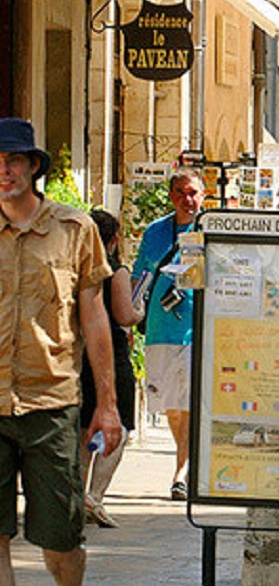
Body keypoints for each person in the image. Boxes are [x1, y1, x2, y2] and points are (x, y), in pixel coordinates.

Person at [0, 117, 122, 586]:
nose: (5, 170)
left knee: (61, 540)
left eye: (14, 160)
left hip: (50, 404)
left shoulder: (74, 229)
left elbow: (95, 320)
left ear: (33, 167)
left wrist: (107, 405)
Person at [133, 167, 203, 500]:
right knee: (171, 406)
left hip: (197, 329)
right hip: (160, 329)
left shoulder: (211, 229)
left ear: (203, 195)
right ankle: (187, 464)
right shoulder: (155, 232)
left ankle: (182, 473)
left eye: (193, 193)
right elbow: (139, 276)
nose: (187, 200)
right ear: (172, 196)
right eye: (180, 193)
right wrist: (128, 318)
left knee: (188, 402)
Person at [80, 209, 142, 529]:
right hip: (112, 357)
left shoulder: (76, 269)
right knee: (118, 427)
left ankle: (78, 497)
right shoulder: (115, 271)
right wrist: (139, 310)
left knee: (84, 428)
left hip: (80, 357)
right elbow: (123, 316)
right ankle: (95, 495)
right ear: (114, 238)